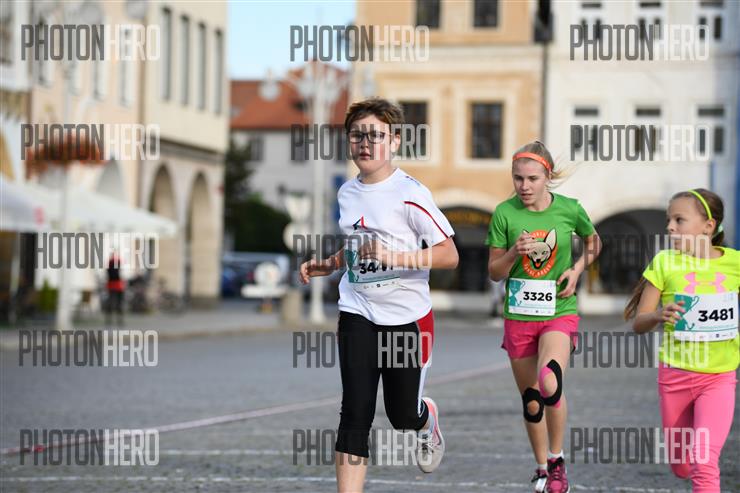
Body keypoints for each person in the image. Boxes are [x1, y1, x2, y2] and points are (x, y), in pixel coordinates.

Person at [300, 98, 458, 493]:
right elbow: (358, 243)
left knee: (402, 415)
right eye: (357, 136)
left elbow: (449, 254)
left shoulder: (411, 193)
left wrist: (395, 256)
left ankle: (426, 419)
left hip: (407, 317)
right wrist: (330, 264)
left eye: (375, 135)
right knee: (355, 412)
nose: (365, 144)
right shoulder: (346, 193)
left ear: (395, 141)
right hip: (358, 310)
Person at [486, 140, 601, 493]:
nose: (524, 186)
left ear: (547, 177)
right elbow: (494, 272)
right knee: (532, 400)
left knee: (549, 381)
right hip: (519, 316)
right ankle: (540, 467)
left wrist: (577, 270)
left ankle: (556, 461)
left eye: (532, 179)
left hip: (558, 311)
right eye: (518, 178)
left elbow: (594, 242)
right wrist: (513, 254)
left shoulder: (569, 209)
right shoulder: (504, 214)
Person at [624, 189, 738, 492]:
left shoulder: (736, 264)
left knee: (703, 460)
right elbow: (639, 323)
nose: (670, 227)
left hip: (719, 378)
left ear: (708, 226)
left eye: (679, 220)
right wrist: (658, 315)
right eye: (668, 220)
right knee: (682, 465)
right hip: (675, 378)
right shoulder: (664, 262)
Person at [105, 251, 125, 327]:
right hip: (117, 285)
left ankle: (109, 320)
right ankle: (119, 320)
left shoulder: (110, 263)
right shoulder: (117, 261)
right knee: (118, 303)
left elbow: (108, 272)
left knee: (111, 303)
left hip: (112, 285)